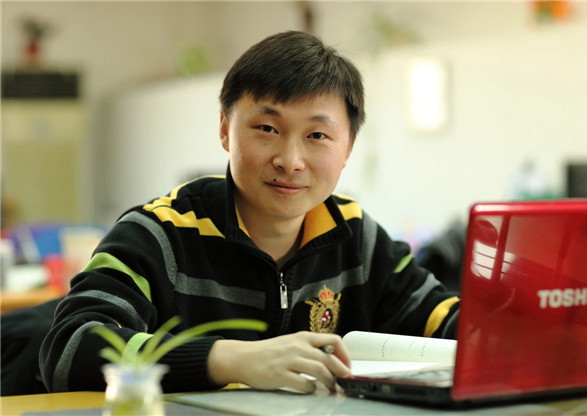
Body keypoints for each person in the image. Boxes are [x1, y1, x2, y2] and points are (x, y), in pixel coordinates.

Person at [40, 30, 460, 395]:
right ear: (225, 128)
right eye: (267, 129)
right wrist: (232, 360)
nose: (290, 160)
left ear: (348, 148)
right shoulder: (159, 234)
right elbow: (70, 349)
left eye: (317, 135)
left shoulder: (357, 238)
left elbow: (449, 322)